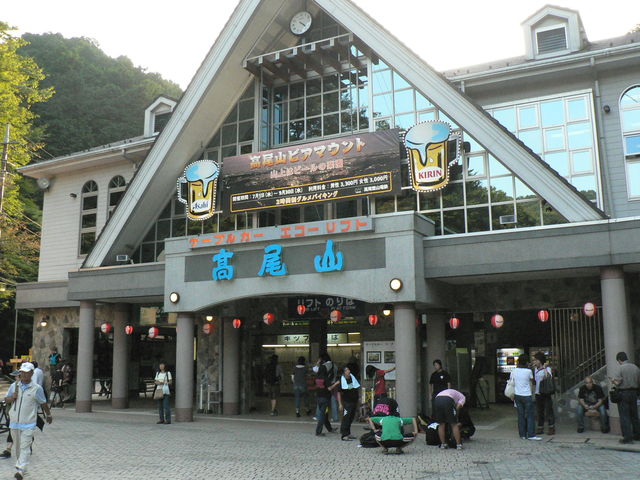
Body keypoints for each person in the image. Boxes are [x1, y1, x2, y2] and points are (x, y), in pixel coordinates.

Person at [5, 362, 53, 480]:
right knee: (18, 448)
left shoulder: (37, 388)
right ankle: (22, 469)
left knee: (25, 447)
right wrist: (12, 397)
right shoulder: (14, 386)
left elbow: (43, 403)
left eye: (27, 372)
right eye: (22, 372)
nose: (24, 375)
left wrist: (48, 415)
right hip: (14, 422)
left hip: (29, 423)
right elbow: (6, 399)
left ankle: (21, 470)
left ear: (32, 373)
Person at [611, 351, 640, 444]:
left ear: (619, 360)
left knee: (625, 416)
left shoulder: (621, 368)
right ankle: (637, 435)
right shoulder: (635, 367)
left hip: (624, 393)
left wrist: (612, 380)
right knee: (634, 415)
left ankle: (627, 438)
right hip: (634, 393)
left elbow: (618, 382)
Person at [510, 355, 541, 441]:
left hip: (517, 395)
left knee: (521, 415)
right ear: (527, 362)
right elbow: (532, 382)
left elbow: (512, 382)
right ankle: (531, 434)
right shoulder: (528, 371)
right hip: (526, 395)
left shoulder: (514, 371)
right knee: (530, 415)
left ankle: (522, 435)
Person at [312, 355, 338, 436]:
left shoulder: (317, 378)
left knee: (325, 414)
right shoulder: (325, 378)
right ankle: (318, 432)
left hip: (318, 397)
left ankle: (330, 429)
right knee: (322, 415)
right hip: (325, 397)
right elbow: (329, 388)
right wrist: (336, 383)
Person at [532, 352, 555, 435]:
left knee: (549, 410)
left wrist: (544, 368)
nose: (534, 361)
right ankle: (540, 427)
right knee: (540, 411)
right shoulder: (535, 369)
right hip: (538, 392)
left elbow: (548, 376)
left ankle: (551, 427)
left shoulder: (547, 368)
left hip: (546, 392)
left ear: (540, 360)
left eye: (536, 360)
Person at [338, 366, 360, 441]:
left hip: (354, 400)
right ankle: (344, 435)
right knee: (346, 418)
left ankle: (348, 433)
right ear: (344, 372)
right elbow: (339, 392)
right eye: (347, 370)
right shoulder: (342, 380)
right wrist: (340, 404)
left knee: (351, 417)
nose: (348, 371)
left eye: (349, 370)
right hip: (347, 401)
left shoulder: (352, 378)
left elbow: (356, 387)